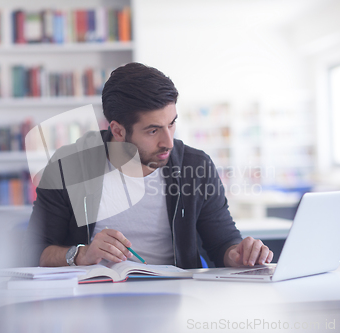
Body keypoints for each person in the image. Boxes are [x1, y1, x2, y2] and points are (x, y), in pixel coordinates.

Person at [24, 62, 273, 269]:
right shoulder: (68, 166)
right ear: (118, 130)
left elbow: (222, 244)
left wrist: (238, 254)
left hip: (176, 299)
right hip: (90, 298)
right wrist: (82, 254)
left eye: (171, 124)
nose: (168, 142)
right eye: (153, 130)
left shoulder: (195, 167)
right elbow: (35, 250)